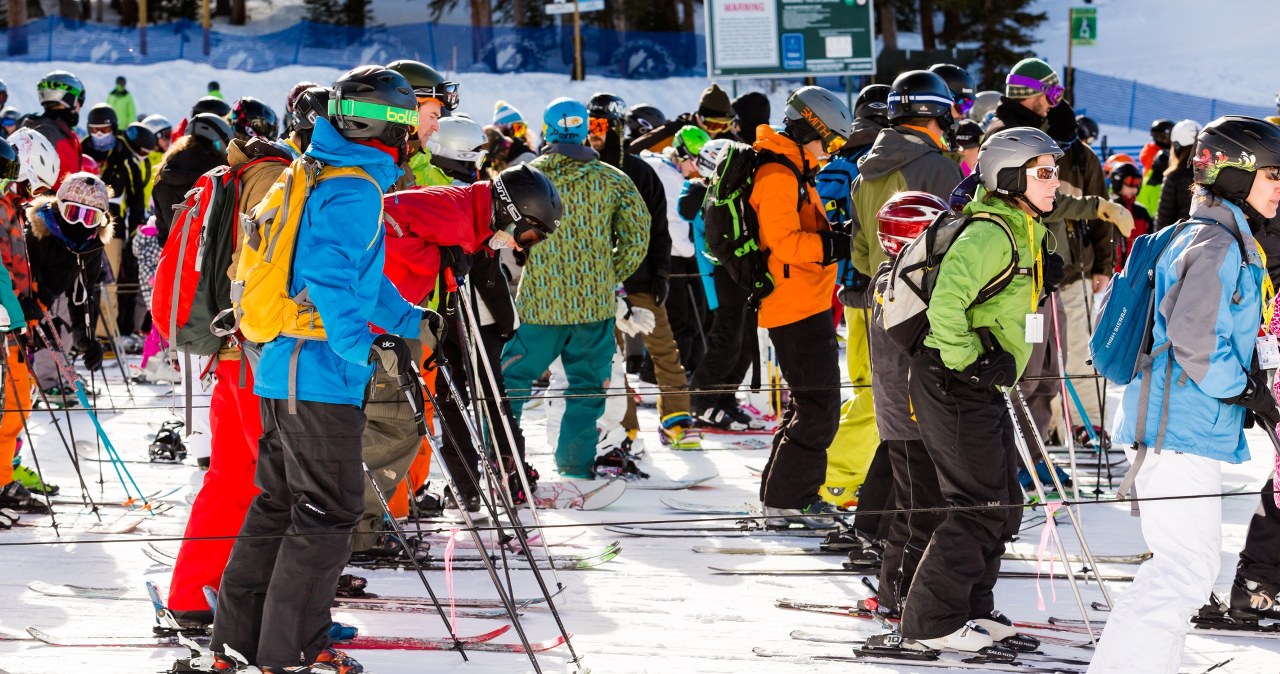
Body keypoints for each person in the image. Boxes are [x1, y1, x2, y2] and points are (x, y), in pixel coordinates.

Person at [208, 65, 426, 674]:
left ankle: (238, 642)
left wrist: (409, 319)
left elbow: (358, 275)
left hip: (284, 367)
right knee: (328, 511)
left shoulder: (320, 171)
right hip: (319, 372)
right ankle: (293, 650)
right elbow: (330, 276)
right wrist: (365, 346)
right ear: (382, 126)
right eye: (407, 124)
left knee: (279, 502)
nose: (412, 137)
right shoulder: (354, 188)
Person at [1087, 115, 1279, 674]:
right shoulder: (1217, 244)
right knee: (1181, 571)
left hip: (1179, 425)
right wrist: (1247, 387)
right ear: (1236, 175)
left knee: (1184, 569)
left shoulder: (1210, 235)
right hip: (1178, 429)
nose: (1279, 187)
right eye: (1272, 174)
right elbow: (1198, 342)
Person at [899, 127, 1062, 652]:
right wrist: (969, 361)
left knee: (1002, 503)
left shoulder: (1023, 228)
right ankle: (931, 622)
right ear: (1012, 177)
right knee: (977, 503)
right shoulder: (990, 231)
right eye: (1044, 172)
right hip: (952, 379)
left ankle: (971, 609)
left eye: (1053, 171)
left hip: (978, 382)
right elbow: (947, 303)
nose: (1054, 182)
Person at [164, 97, 325, 629]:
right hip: (262, 352)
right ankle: (263, 603)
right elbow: (254, 266)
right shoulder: (275, 174)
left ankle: (193, 591)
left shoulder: (238, 170)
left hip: (232, 354)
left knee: (233, 478)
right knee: (277, 482)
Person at [500, 97, 648, 479]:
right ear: (585, 131)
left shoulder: (527, 175)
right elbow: (637, 236)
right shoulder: (614, 180)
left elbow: (497, 230)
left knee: (511, 381)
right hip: (593, 309)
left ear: (547, 129)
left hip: (540, 305)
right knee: (586, 389)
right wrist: (608, 275)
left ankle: (500, 463)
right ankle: (575, 467)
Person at [846, 70, 963, 548]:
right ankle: (911, 541)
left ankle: (881, 529)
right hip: (925, 303)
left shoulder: (866, 168)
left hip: (882, 296)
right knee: (928, 419)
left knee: (896, 413)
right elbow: (959, 242)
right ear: (937, 112)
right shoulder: (935, 167)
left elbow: (857, 250)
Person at [752, 86, 853, 529]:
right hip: (793, 305)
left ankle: (783, 496)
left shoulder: (797, 167)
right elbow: (785, 243)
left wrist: (837, 232)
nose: (831, 150)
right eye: (830, 140)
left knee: (810, 405)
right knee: (819, 408)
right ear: (808, 126)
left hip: (806, 300)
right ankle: (791, 500)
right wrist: (833, 244)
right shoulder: (778, 174)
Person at [587, 92, 698, 452]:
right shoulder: (582, 171)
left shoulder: (639, 170)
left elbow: (659, 230)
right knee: (609, 357)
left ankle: (677, 419)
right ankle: (623, 425)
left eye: (601, 125)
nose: (594, 133)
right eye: (589, 125)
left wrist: (662, 275)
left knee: (664, 349)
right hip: (597, 284)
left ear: (617, 127)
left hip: (640, 278)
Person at [24, 173, 110, 403]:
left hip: (56, 295)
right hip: (28, 299)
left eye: (90, 218)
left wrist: (87, 339)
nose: (80, 224)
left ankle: (55, 376)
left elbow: (84, 292)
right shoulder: (37, 232)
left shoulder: (91, 245)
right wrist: (28, 305)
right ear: (59, 207)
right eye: (73, 213)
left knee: (65, 328)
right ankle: (43, 380)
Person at [0, 137, 50, 512]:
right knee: (10, 405)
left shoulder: (11, 207)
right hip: (7, 323)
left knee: (18, 403)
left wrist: (28, 299)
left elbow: (14, 264)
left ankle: (5, 478)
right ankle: (2, 481)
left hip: (16, 319)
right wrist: (16, 311)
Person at [386, 59, 458, 189]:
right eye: (432, 116)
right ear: (406, 110)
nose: (436, 127)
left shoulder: (401, 165)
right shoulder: (383, 171)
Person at [628, 82, 739, 154]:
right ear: (700, 117)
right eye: (714, 125)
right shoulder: (672, 132)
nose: (717, 131)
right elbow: (633, 152)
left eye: (725, 126)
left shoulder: (730, 141)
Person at [22, 70, 86, 187]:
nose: (79, 108)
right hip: (46, 204)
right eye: (79, 103)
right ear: (69, 99)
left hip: (64, 203)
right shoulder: (46, 132)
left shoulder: (63, 132)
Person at [1155, 119, 1202, 229]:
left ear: (1176, 147)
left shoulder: (1174, 177)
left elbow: (1163, 221)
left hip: (1179, 242)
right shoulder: (1213, 176)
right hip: (1207, 241)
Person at [1108, 162, 1153, 270]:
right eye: (1130, 182)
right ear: (1118, 182)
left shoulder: (1141, 212)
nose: (1134, 188)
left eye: (1138, 183)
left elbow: (1151, 240)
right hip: (1111, 272)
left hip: (1137, 270)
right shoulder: (1108, 209)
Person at [1137, 119, 1174, 215]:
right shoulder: (1151, 150)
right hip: (1153, 184)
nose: (1160, 139)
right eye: (1158, 136)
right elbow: (1150, 162)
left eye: (1163, 137)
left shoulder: (1169, 150)